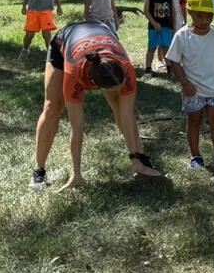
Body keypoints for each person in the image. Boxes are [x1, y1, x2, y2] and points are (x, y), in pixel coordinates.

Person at [32, 19, 160, 191]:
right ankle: (39, 170)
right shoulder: (74, 73)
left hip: (101, 32)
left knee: (120, 107)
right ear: (95, 85)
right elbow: (77, 126)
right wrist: (76, 173)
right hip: (67, 41)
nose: (121, 89)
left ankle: (140, 160)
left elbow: (127, 115)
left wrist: (135, 158)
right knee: (52, 107)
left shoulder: (125, 67)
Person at [166, 0, 214, 171]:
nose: (205, 21)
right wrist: (185, 83)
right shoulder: (182, 36)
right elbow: (174, 61)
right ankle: (196, 155)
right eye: (200, 16)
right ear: (190, 12)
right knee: (194, 121)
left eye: (209, 16)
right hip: (194, 90)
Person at [144, 0, 176, 74]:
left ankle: (169, 67)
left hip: (166, 26)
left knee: (166, 47)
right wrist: (154, 23)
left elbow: (173, 11)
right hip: (154, 27)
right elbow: (146, 11)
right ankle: (148, 68)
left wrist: (173, 26)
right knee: (152, 47)